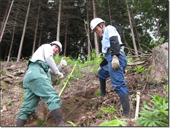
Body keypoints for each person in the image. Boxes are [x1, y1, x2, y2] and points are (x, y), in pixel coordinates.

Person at [16, 41, 68, 126]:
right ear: (51, 45)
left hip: (30, 76)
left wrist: (60, 67)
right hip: (37, 73)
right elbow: (49, 58)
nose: (56, 49)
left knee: (27, 108)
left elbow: (49, 71)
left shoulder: (43, 58)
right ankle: (62, 124)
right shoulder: (47, 46)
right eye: (55, 47)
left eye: (58, 50)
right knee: (52, 96)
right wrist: (57, 71)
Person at [90, 18, 130, 118]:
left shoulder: (109, 29)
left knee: (118, 85)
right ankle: (103, 95)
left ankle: (126, 115)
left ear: (101, 25)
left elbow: (114, 41)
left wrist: (115, 56)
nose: (96, 32)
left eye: (96, 29)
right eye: (94, 31)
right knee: (101, 73)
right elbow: (106, 56)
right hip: (110, 58)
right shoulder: (104, 39)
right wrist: (100, 66)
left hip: (116, 57)